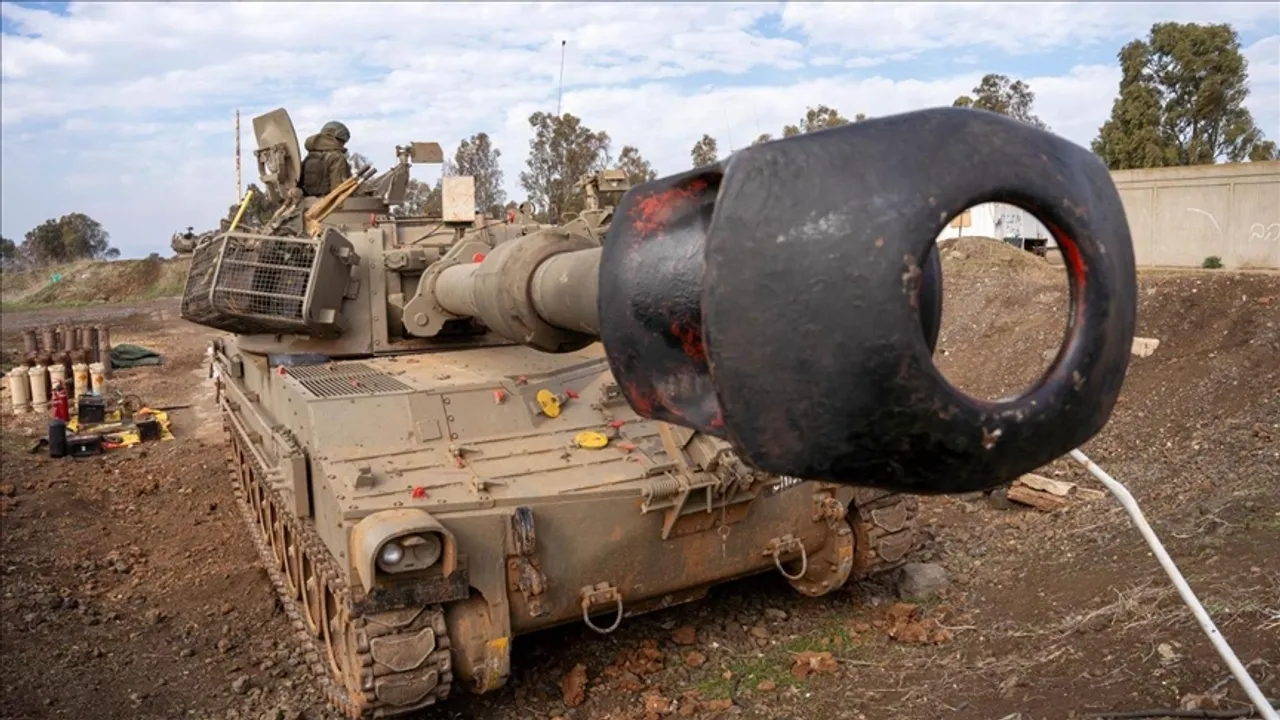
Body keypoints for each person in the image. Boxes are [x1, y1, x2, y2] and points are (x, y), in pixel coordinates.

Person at [299, 121, 353, 197]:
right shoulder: (336, 157)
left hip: (309, 201)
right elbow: (338, 188)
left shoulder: (310, 156)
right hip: (328, 204)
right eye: (343, 141)